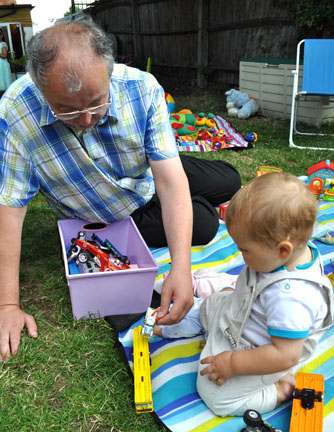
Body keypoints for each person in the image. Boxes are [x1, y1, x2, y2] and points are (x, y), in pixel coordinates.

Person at [0, 20, 241, 361]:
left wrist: (182, 269)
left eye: (96, 103)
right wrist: (7, 304)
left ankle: (176, 180)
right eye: (66, 109)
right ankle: (193, 205)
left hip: (144, 176)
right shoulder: (14, 112)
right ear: (40, 88)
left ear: (109, 73)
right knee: (204, 223)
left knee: (229, 179)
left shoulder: (142, 88)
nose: (85, 120)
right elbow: (9, 209)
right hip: (105, 209)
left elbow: (170, 183)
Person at [153, 172, 334, 416]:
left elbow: (285, 355)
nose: (240, 256)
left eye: (244, 249)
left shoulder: (291, 298)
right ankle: (202, 317)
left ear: (283, 250)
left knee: (216, 396)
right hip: (240, 312)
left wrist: (233, 363)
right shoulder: (284, 254)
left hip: (262, 353)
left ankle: (278, 390)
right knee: (213, 303)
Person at [0, 28, 13, 96]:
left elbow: (4, 55)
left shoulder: (3, 44)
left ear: (1, 35)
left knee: (3, 85)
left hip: (2, 65)